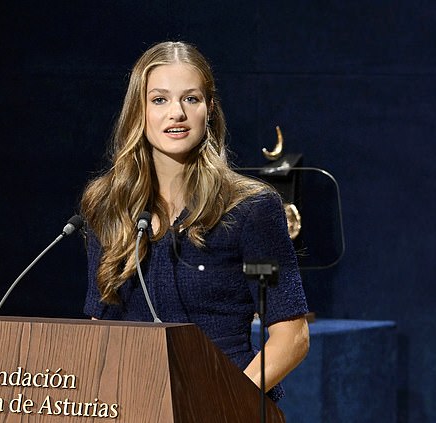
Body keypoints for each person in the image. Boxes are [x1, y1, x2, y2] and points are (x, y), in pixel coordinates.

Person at [80, 40, 309, 409]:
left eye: (191, 99)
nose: (177, 114)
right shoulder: (109, 206)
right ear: (138, 112)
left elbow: (292, 337)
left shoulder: (250, 209)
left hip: (227, 406)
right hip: (134, 407)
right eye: (160, 100)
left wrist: (224, 401)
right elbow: (99, 330)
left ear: (209, 110)